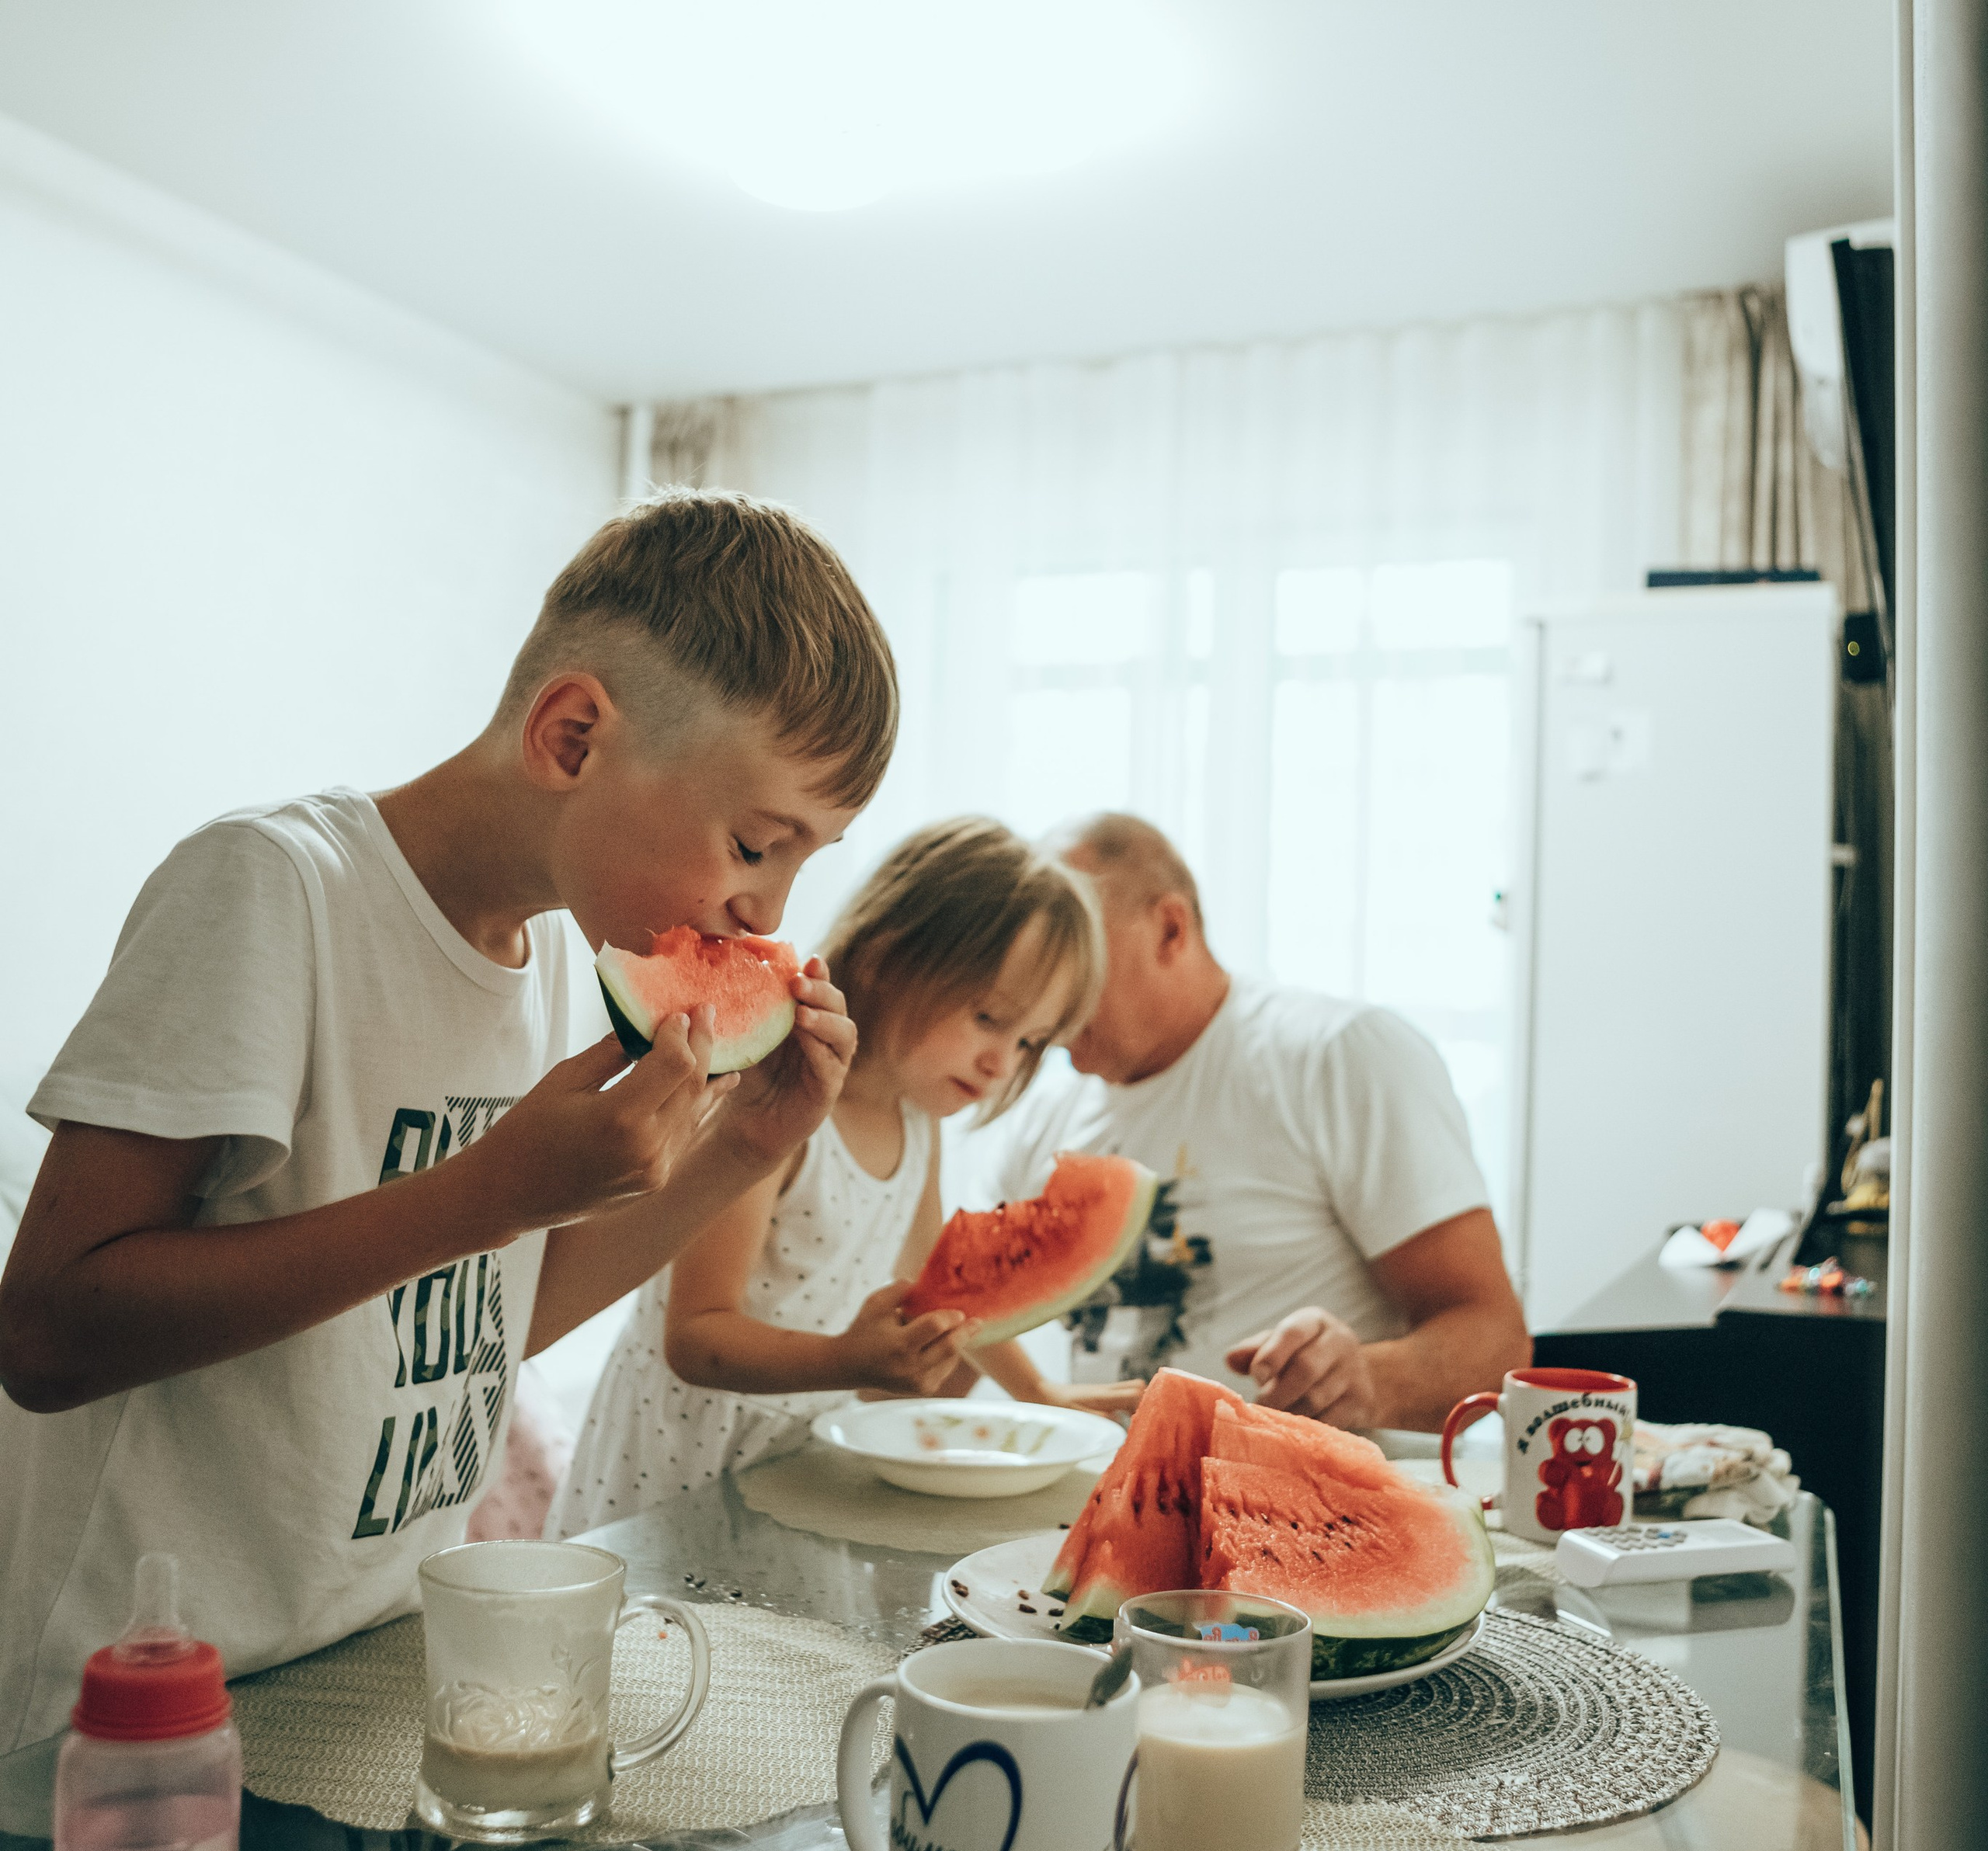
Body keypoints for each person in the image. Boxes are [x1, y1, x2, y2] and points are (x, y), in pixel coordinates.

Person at [0, 488, 895, 1750]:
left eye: (809, 858)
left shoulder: (546, 968)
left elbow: (478, 1326)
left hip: (365, 1672)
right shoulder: (276, 892)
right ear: (573, 736)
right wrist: (482, 1192)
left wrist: (742, 1146)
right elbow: (44, 1334)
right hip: (124, 1721)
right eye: (757, 842)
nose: (769, 912)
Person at [553, 816, 1138, 1527]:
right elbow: (697, 1338)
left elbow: (940, 1288)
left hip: (796, 1473)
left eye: (1032, 1043)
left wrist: (1040, 1393)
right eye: (989, 1018)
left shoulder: (915, 1122)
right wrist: (847, 1361)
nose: (1003, 1062)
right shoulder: (780, 1102)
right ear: (893, 958)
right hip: (679, 1473)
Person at [989, 813, 1529, 1429]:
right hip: (1106, 1501)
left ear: (1170, 928)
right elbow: (959, 1336)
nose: (1050, 988)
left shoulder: (1340, 1055)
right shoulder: (1040, 1122)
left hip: (1305, 1506)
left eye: (1077, 952)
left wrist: (1364, 1382)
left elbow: (1495, 1336)